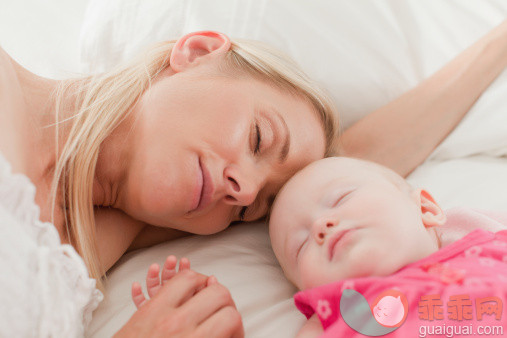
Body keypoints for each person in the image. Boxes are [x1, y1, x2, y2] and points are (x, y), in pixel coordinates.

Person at [1, 17, 507, 335]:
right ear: (197, 52)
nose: (241, 189)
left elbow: (355, 175)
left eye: (250, 209)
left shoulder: (106, 229)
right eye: (259, 138)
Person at [268, 157, 507, 337]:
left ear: (425, 209)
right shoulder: (331, 319)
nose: (320, 226)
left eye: (341, 198)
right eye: (300, 247)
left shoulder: (487, 242)